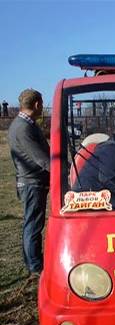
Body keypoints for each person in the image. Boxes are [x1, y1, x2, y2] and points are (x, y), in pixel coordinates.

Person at [7, 89, 49, 276]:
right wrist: (66, 171)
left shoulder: (23, 124)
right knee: (33, 225)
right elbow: (40, 159)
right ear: (37, 104)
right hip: (31, 182)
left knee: (31, 223)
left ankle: (32, 261)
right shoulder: (23, 128)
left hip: (31, 181)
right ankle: (35, 265)